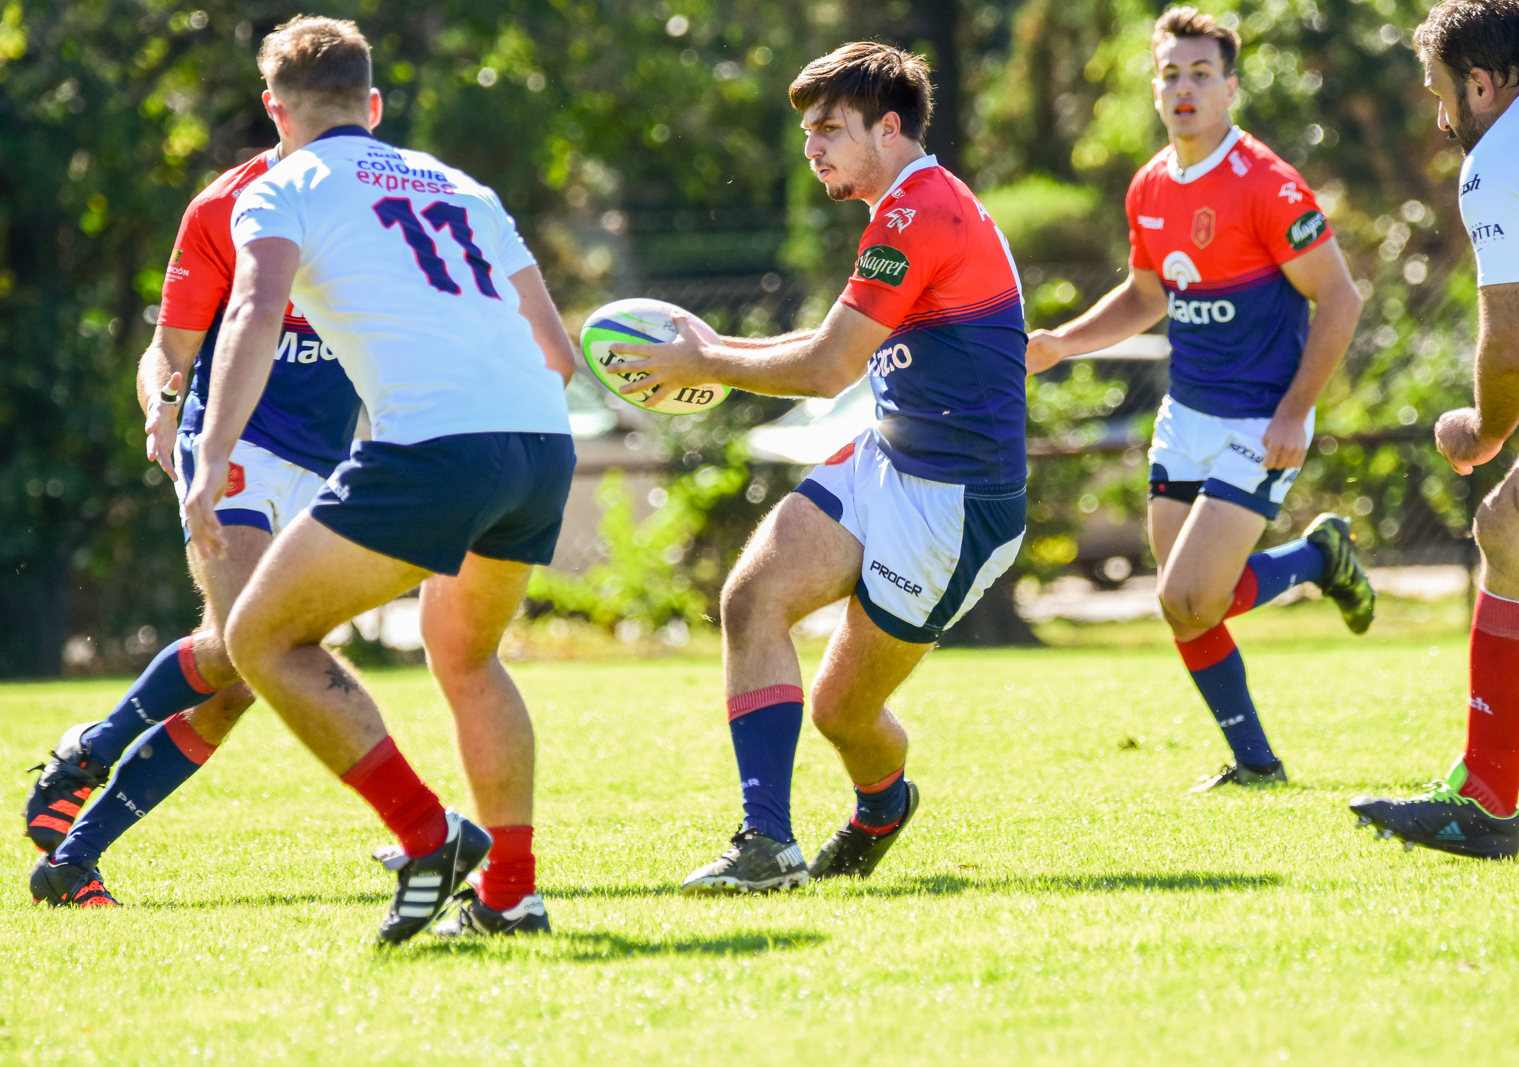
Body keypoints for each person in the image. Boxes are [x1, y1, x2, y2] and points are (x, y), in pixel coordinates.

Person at [175, 15, 573, 941]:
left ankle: (428, 836)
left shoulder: (280, 186)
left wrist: (209, 456)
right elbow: (555, 350)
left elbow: (254, 312)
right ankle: (511, 893)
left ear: (275, 111)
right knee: (467, 655)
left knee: (261, 637)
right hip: (541, 442)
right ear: (375, 105)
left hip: (438, 448)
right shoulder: (463, 186)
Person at [610, 42, 1028, 893]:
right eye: (808, 131)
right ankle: (766, 841)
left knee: (844, 712)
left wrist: (707, 363)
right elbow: (834, 342)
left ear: (888, 128)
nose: (812, 148)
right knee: (751, 599)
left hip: (954, 503)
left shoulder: (920, 213)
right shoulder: (905, 208)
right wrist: (716, 346)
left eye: (830, 128)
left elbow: (829, 368)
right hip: (889, 457)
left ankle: (882, 806)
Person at [1026, 6, 1370, 791]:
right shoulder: (1149, 185)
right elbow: (1146, 295)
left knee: (1190, 593)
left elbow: (1341, 299)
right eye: (1172, 74)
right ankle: (1257, 762)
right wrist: (1062, 343)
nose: (1185, 88)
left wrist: (1294, 411)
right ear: (1156, 87)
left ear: (1231, 88)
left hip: (1260, 418)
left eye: (1202, 74)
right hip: (1185, 417)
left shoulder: (1268, 184)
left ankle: (1318, 558)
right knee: (1182, 602)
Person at [26, 113, 364, 905]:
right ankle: (88, 768)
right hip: (230, 445)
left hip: (323, 464)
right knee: (245, 637)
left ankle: (75, 840)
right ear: (276, 110)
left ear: (372, 111)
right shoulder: (225, 205)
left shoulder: (386, 205)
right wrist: (162, 404)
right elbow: (169, 350)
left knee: (244, 676)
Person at [1351, 0, 1519, 860]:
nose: (1442, 118)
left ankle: (1486, 800)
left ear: (1483, 84)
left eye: (1441, 94)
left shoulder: (1502, 157)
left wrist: (1484, 429)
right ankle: (1485, 798)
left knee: (1514, 529)